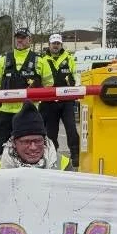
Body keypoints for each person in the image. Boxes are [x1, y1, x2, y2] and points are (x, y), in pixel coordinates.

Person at [0, 28, 50, 162]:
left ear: (30, 40)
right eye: (17, 37)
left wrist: (36, 88)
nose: (19, 40)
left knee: (31, 149)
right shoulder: (4, 59)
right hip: (7, 112)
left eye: (23, 37)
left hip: (29, 113)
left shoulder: (39, 60)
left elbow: (49, 84)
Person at [40, 34, 81, 168]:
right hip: (49, 101)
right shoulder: (42, 60)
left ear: (61, 45)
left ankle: (76, 155)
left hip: (66, 100)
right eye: (54, 43)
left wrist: (74, 85)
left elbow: (76, 75)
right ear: (49, 45)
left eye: (58, 43)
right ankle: (52, 157)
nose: (56, 46)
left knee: (71, 129)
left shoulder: (69, 58)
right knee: (51, 132)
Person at [0, 107, 70, 169]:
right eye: (26, 142)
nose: (33, 147)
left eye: (38, 141)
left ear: (45, 140)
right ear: (13, 143)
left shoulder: (64, 165)